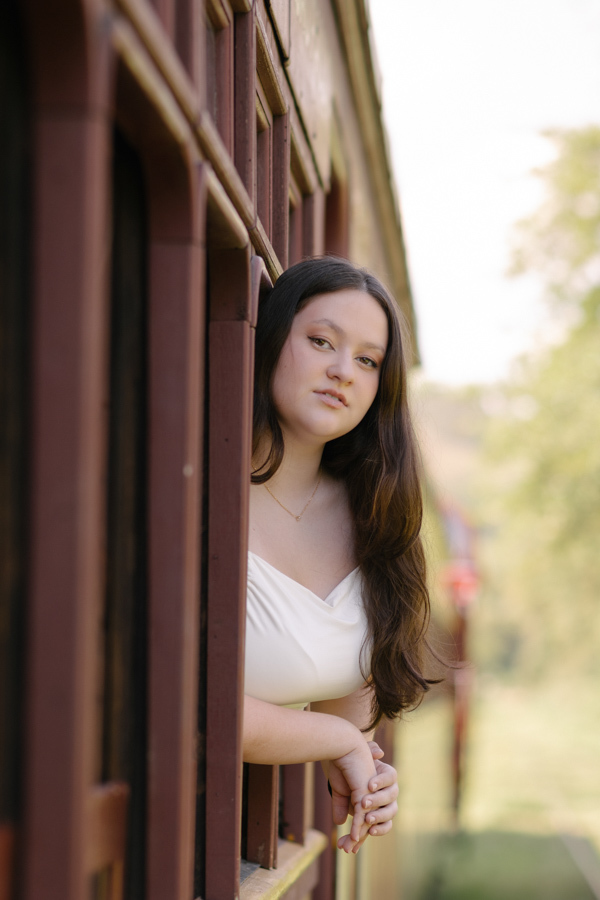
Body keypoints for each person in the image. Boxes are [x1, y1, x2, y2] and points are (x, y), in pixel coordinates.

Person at [244, 257, 436, 855]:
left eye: (368, 361)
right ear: (272, 338)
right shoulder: (195, 484)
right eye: (322, 341)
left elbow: (343, 707)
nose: (342, 372)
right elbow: (180, 701)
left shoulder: (374, 520)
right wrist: (335, 739)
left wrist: (364, 762)